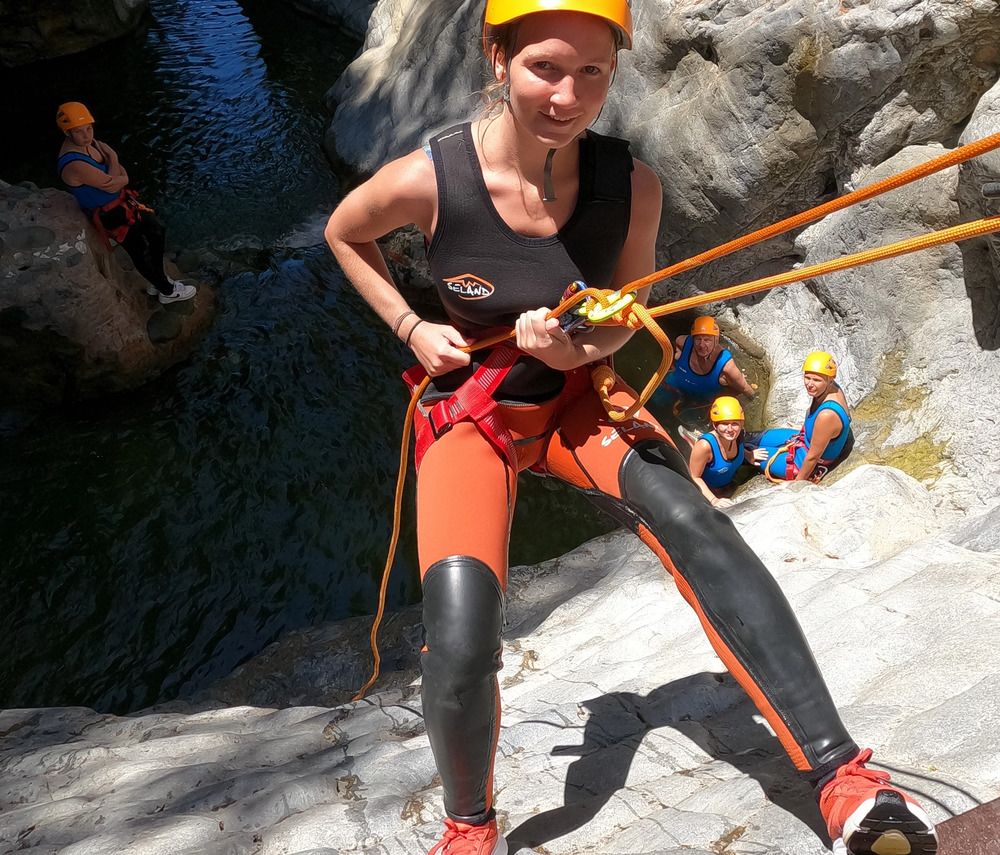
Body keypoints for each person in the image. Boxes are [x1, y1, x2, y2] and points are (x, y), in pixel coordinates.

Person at [324, 3, 935, 854]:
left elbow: (628, 317)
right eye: (544, 67)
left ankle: (846, 781)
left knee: (697, 524)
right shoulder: (433, 179)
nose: (568, 95)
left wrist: (576, 344)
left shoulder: (630, 187)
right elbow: (344, 232)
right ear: (496, 58)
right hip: (480, 415)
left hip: (580, 402)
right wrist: (411, 328)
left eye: (592, 74)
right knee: (461, 629)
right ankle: (471, 828)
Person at [55, 102, 196, 304]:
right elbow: (114, 183)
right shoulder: (75, 163)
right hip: (108, 213)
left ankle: (158, 280)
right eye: (79, 131)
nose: (87, 135)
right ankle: (166, 290)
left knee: (157, 229)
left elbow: (119, 175)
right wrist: (113, 158)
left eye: (89, 128)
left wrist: (118, 176)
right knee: (138, 248)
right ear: (67, 133)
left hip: (122, 203)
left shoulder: (91, 145)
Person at [750, 351, 854, 483]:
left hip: (802, 461)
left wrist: (798, 483)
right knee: (754, 438)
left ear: (829, 380)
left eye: (816, 380)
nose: (810, 384)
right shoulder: (832, 388)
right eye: (807, 377)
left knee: (749, 452)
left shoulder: (827, 415)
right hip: (805, 439)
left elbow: (813, 457)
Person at [661, 315, 756, 400]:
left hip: (699, 403)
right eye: (698, 339)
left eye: (707, 340)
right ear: (692, 338)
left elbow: (744, 388)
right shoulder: (682, 342)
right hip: (670, 387)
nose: (701, 345)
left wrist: (752, 398)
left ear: (716, 340)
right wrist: (672, 366)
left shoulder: (726, 366)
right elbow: (671, 349)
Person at [687, 396, 752, 508]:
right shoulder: (704, 447)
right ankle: (692, 441)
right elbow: (694, 477)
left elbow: (739, 446)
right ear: (714, 425)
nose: (730, 429)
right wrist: (714, 500)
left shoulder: (738, 436)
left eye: (735, 423)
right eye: (724, 423)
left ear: (741, 423)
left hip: (730, 482)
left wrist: (749, 455)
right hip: (712, 490)